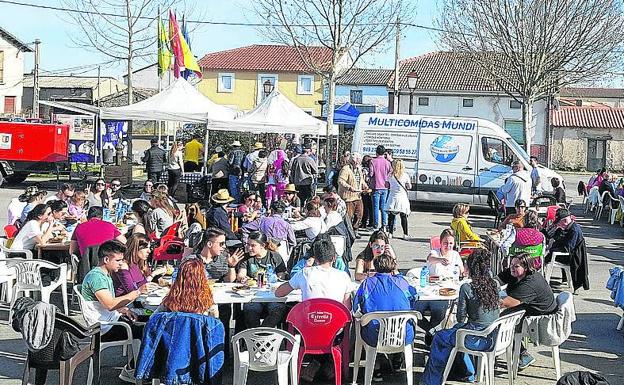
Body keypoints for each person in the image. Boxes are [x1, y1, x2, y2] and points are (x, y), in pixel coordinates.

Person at [422, 249, 501, 385]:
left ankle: (431, 381)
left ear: (470, 268)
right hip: (493, 337)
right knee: (456, 332)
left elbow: (460, 318)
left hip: (475, 338)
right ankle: (467, 372)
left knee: (440, 337)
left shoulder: (467, 287)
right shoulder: (494, 285)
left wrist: (462, 303)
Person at [80, 240, 146, 382]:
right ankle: (132, 370)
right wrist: (136, 293)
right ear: (106, 259)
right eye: (118, 260)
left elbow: (104, 304)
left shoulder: (104, 274)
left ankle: (135, 366)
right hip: (104, 328)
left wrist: (124, 309)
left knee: (144, 320)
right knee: (148, 330)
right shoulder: (97, 277)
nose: (121, 263)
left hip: (108, 321)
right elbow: (109, 304)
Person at [352, 251, 418, 381]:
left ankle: (374, 367)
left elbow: (356, 309)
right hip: (404, 335)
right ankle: (398, 360)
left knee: (364, 325)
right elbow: (414, 297)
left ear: (375, 266)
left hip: (375, 336)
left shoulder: (367, 284)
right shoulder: (402, 282)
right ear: (393, 267)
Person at [499, 253, 557, 370]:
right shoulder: (515, 272)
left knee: (502, 320)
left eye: (516, 266)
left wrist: (484, 299)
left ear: (526, 268)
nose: (512, 268)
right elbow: (497, 280)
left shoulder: (530, 283)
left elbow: (506, 303)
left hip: (542, 316)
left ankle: (522, 354)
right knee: (503, 316)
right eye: (511, 265)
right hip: (529, 307)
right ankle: (516, 351)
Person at [276, 235, 352, 307]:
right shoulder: (344, 276)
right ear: (334, 258)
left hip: (309, 318)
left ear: (315, 258)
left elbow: (278, 293)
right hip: (335, 318)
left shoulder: (305, 273)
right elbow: (347, 306)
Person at [237, 232, 287, 328]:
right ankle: (254, 337)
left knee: (278, 309)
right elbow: (241, 275)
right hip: (253, 296)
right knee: (250, 310)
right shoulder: (247, 258)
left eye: (253, 245)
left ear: (262, 245)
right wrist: (243, 279)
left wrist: (274, 278)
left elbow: (281, 277)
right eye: (248, 245)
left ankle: (262, 334)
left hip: (273, 295)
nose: (249, 248)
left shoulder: (274, 256)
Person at [544, 208, 588, 290]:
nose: (558, 225)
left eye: (559, 223)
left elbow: (568, 248)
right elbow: (550, 236)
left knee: (546, 258)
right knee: (547, 255)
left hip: (572, 257)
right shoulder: (567, 228)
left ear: (564, 221)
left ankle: (544, 280)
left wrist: (552, 248)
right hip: (568, 254)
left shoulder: (574, 230)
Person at [338, 152, 367, 236]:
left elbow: (361, 180)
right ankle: (348, 231)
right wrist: (349, 187)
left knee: (359, 214)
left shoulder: (359, 169)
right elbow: (341, 181)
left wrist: (365, 186)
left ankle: (355, 230)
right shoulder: (345, 169)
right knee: (349, 216)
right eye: (356, 161)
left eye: (358, 161)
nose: (357, 163)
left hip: (358, 196)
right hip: (348, 197)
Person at [386, 159, 411, 240]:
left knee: (391, 216)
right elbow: (409, 186)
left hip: (393, 197)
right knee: (403, 216)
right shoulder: (405, 175)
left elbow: (386, 185)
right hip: (402, 197)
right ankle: (405, 234)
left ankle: (390, 233)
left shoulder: (390, 175)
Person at [369, 145, 392, 231]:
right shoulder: (387, 163)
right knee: (383, 207)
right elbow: (390, 173)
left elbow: (371, 174)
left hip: (376, 186)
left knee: (375, 207)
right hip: (385, 187)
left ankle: (375, 225)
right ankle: (384, 225)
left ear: (376, 152)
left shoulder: (373, 161)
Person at [360, 155, 374, 230]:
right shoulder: (372, 170)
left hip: (365, 190)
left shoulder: (363, 170)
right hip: (370, 190)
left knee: (365, 207)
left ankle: (364, 222)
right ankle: (371, 222)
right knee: (370, 207)